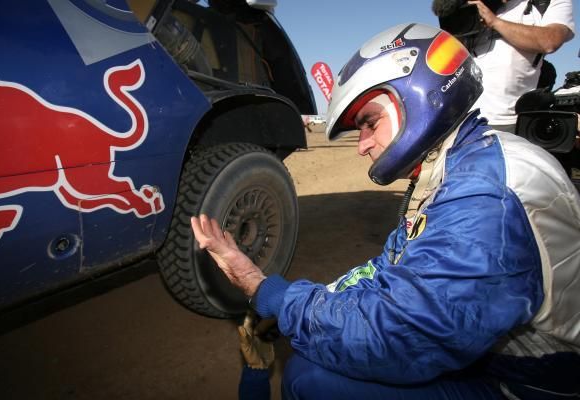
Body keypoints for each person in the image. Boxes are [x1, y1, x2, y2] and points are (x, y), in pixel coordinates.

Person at [192, 23, 580, 400]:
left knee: (308, 379)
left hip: (530, 384)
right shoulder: (460, 164)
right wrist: (286, 298)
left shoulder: (482, 195)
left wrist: (266, 290)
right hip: (499, 359)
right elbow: (389, 272)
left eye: (369, 123)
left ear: (419, 98)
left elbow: (400, 335)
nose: (362, 146)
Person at [467, 0, 575, 133]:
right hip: (464, 118)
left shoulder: (550, 2)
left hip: (512, 122)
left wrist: (494, 22)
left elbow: (550, 40)